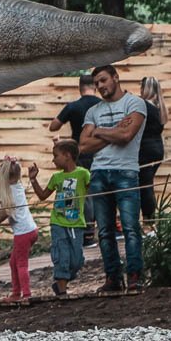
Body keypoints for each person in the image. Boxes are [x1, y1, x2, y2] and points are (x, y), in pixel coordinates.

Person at [80, 64, 147, 292]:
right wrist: (113, 132)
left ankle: (135, 275)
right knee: (105, 230)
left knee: (130, 227)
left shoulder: (134, 103)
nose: (100, 86)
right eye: (97, 83)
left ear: (116, 78)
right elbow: (83, 145)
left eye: (103, 80)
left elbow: (127, 135)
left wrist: (98, 131)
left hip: (126, 171)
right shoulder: (93, 111)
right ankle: (112, 278)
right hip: (98, 172)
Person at [29, 139, 90, 297]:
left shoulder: (83, 174)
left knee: (76, 260)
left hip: (76, 223)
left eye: (55, 156)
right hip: (58, 223)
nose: (53, 160)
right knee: (61, 255)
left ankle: (61, 282)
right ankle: (62, 292)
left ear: (67, 155)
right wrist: (33, 179)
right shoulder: (56, 178)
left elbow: (94, 190)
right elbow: (42, 196)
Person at [50, 73, 100, 245]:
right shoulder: (102, 105)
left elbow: (53, 126)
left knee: (84, 193)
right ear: (95, 86)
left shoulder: (73, 106)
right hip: (101, 151)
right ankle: (110, 229)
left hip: (79, 153)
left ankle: (87, 235)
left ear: (79, 88)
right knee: (103, 189)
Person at [0, 157, 38, 301]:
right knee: (13, 263)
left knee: (21, 264)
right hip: (31, 230)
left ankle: (26, 293)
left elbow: (5, 212)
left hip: (23, 233)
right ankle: (16, 292)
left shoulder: (9, 192)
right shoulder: (17, 186)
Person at [138, 76, 168, 228]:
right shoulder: (159, 106)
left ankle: (149, 223)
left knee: (145, 186)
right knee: (146, 184)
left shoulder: (143, 105)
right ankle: (148, 221)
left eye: (141, 88)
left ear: (146, 88)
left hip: (146, 150)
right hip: (157, 149)